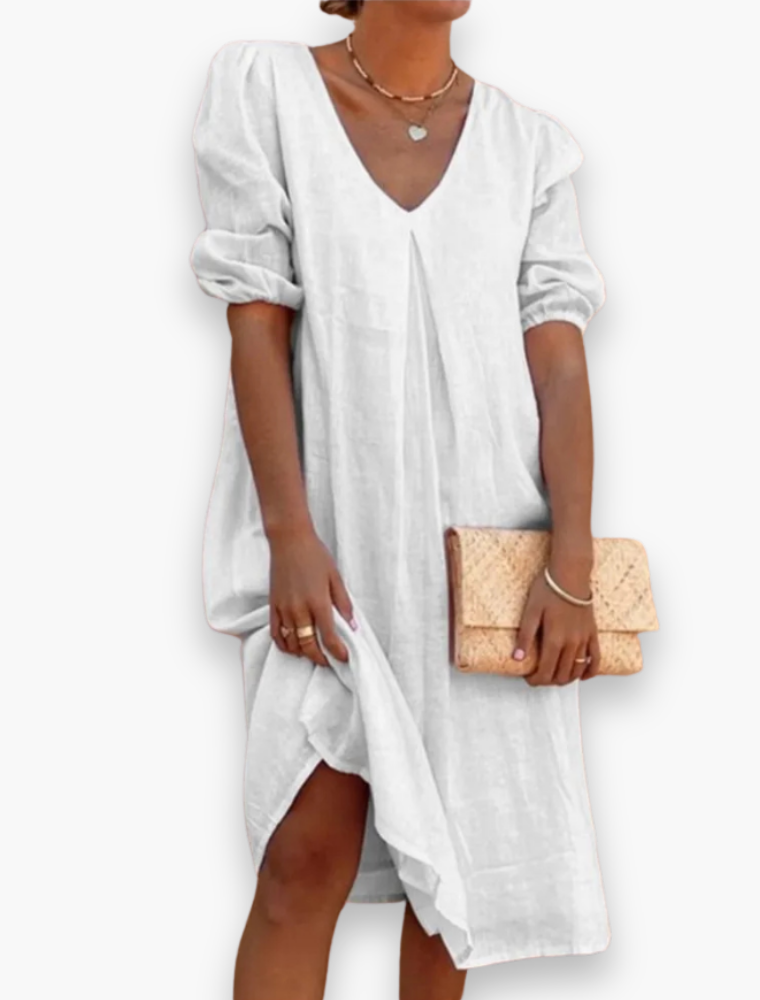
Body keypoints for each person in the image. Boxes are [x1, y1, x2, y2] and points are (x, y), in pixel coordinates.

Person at [189, 1, 609, 997]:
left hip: (484, 561)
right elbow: (256, 327)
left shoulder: (529, 148)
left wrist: (571, 565)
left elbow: (558, 369)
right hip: (331, 548)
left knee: (450, 894)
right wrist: (289, 534)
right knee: (302, 861)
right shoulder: (268, 90)